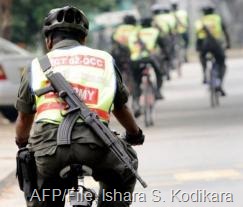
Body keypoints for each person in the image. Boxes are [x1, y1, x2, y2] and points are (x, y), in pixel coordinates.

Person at [15, 5, 145, 207]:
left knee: (41, 189)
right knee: (126, 169)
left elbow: (24, 119)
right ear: (84, 39)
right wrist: (135, 133)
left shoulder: (36, 66)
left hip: (49, 153)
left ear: (48, 40)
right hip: (97, 146)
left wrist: (22, 142)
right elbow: (121, 108)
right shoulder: (104, 60)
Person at [128, 17, 165, 117]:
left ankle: (135, 103)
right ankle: (157, 91)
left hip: (135, 60)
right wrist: (166, 56)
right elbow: (163, 45)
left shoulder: (134, 33)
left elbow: (129, 48)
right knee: (159, 73)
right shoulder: (155, 31)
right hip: (150, 58)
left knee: (136, 82)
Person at [195, 4, 230, 95]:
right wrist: (228, 44)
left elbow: (197, 34)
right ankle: (219, 82)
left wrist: (198, 48)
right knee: (221, 63)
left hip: (204, 45)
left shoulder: (200, 20)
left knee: (202, 58)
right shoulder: (217, 18)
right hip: (216, 44)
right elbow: (225, 32)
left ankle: (205, 74)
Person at [111, 15, 139, 91]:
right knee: (135, 75)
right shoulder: (136, 29)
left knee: (116, 74)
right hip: (131, 55)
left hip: (118, 55)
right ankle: (136, 93)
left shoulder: (119, 29)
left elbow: (113, 39)